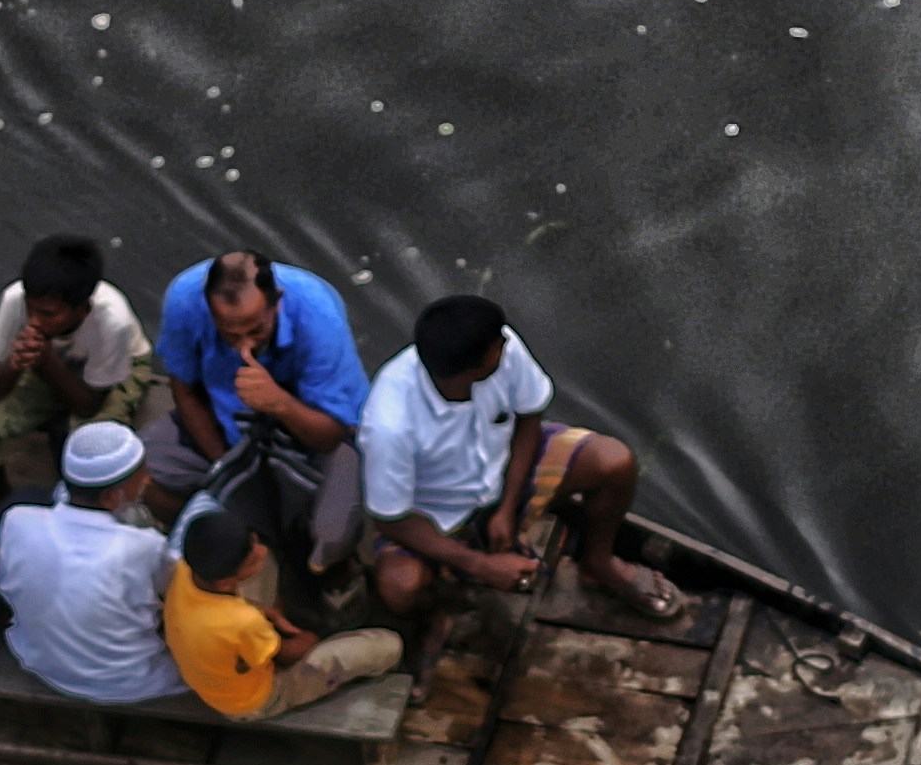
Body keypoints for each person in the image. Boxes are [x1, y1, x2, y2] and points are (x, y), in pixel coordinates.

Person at [360, 292, 680, 624]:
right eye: (497, 346)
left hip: (506, 469)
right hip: (436, 515)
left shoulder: (502, 346)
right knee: (400, 587)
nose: (506, 342)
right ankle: (437, 614)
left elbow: (529, 418)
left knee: (614, 461)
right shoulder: (389, 424)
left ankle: (598, 564)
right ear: (472, 369)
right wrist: (481, 565)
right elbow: (390, 519)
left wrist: (507, 508)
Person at [145, 246, 372, 575]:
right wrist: (226, 467)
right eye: (230, 335)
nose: (245, 348)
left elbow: (330, 435)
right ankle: (238, 532)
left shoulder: (318, 315)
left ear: (277, 301)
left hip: (310, 430)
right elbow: (186, 390)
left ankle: (324, 572)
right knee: (140, 475)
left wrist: (278, 402)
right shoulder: (184, 299)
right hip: (226, 422)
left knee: (332, 536)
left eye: (256, 331)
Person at [0, 232, 165, 503]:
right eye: (31, 310)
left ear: (82, 310)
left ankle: (78, 506)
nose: (35, 321)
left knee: (92, 446)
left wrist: (48, 362)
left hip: (112, 374)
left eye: (48, 314)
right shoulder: (14, 299)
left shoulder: (113, 321)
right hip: (46, 363)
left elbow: (88, 406)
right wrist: (15, 364)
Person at [164, 498, 404, 723]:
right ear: (226, 583)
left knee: (266, 566)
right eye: (251, 560)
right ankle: (388, 656)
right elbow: (288, 654)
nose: (261, 550)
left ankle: (279, 613)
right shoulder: (241, 622)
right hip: (251, 701)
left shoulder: (186, 570)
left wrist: (266, 613)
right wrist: (311, 638)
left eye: (254, 541)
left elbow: (231, 619)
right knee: (388, 645)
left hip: (214, 663)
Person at [0, 417, 182, 704]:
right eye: (141, 475)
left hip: (42, 663)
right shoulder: (143, 546)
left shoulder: (17, 520)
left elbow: (6, 585)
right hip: (129, 682)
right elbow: (169, 592)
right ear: (110, 497)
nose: (148, 479)